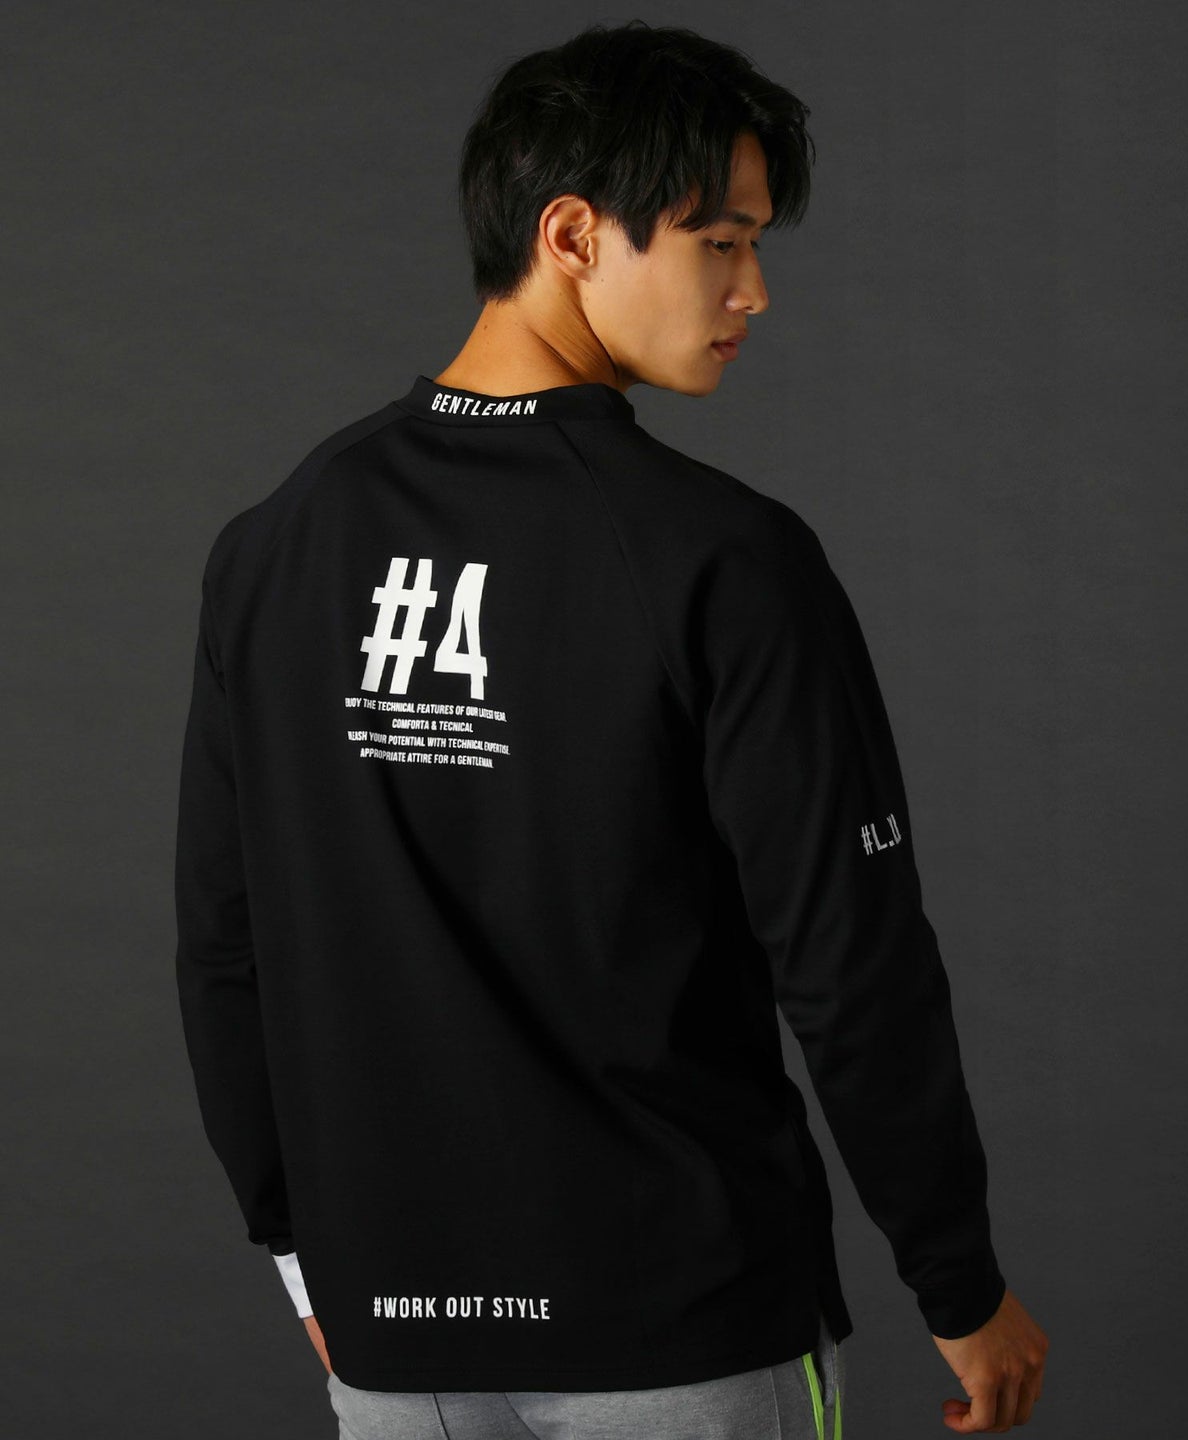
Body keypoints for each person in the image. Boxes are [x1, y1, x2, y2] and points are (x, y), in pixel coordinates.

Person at [173, 20, 1048, 1439]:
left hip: (394, 1341)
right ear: (573, 235)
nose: (755, 290)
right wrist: (959, 1282)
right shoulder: (726, 559)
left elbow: (226, 950)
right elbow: (854, 965)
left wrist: (299, 1256)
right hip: (685, 1327)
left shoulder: (274, 546)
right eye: (722, 241)